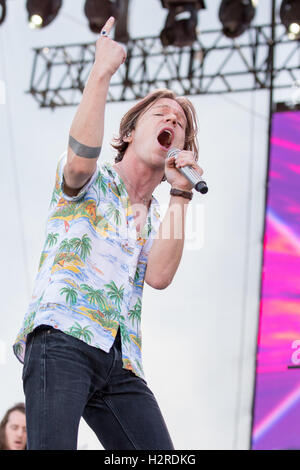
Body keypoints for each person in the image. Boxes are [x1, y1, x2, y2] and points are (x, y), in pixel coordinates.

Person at [13, 17, 203, 450]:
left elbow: (159, 275)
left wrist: (180, 193)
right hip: (63, 337)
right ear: (133, 131)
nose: (172, 120)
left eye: (180, 123)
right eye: (163, 114)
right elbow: (78, 162)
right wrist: (101, 72)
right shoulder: (95, 179)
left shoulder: (156, 214)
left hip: (122, 361)